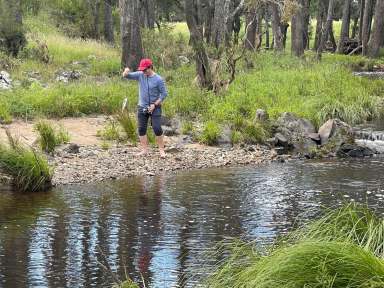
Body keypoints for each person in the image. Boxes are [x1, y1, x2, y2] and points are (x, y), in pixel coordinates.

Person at [122, 58, 168, 157]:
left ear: (150, 67)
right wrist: (126, 71)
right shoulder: (140, 75)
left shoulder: (158, 79)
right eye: (141, 70)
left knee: (157, 128)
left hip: (155, 107)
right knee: (141, 129)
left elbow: (164, 94)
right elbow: (126, 76)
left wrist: (155, 104)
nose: (143, 71)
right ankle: (144, 150)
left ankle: (161, 150)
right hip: (142, 107)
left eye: (145, 70)